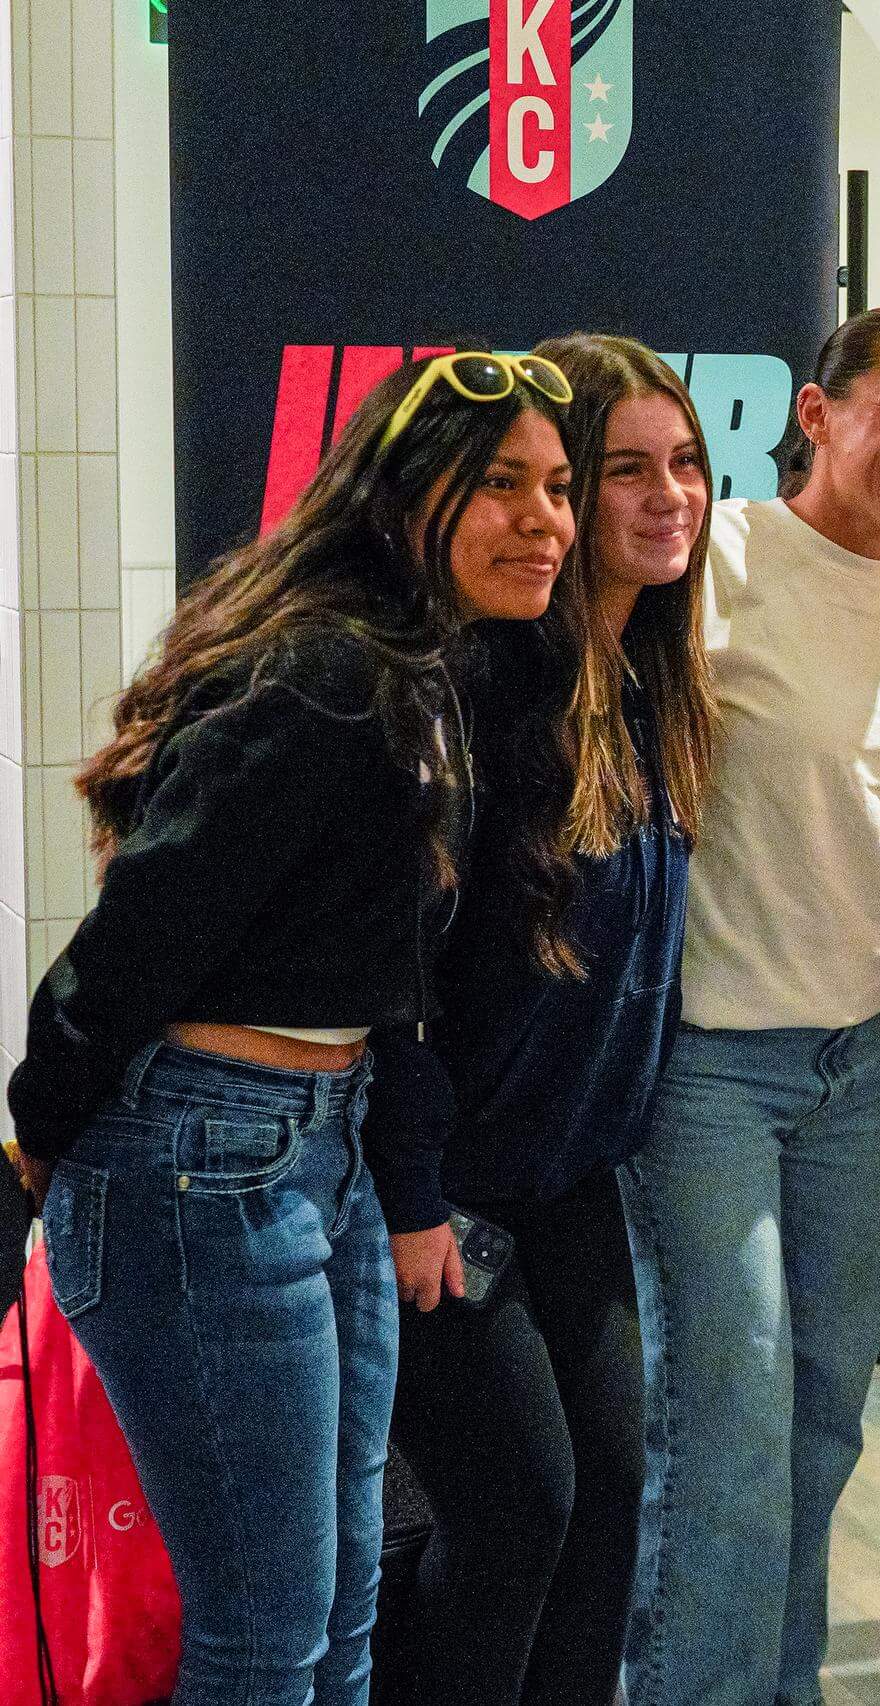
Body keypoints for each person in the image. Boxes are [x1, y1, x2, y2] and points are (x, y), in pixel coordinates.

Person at [7, 350, 574, 1705]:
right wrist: (31, 1145)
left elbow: (385, 988)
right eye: (501, 484)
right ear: (402, 490)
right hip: (197, 1159)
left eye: (557, 486)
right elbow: (139, 934)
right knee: (266, 1635)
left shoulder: (420, 667)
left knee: (336, 1608)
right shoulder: (326, 672)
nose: (547, 518)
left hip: (317, 1148)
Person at [619, 307, 880, 1706]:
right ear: (819, 414)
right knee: (730, 1436)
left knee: (823, 1423)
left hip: (854, 1066)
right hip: (710, 1068)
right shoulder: (712, 559)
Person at [376, 334, 716, 1706]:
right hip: (433, 1190)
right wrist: (410, 1197)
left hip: (562, 1179)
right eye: (618, 469)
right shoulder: (477, 688)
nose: (663, 496)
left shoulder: (651, 685)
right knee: (516, 1511)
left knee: (608, 1499)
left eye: (685, 463)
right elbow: (397, 978)